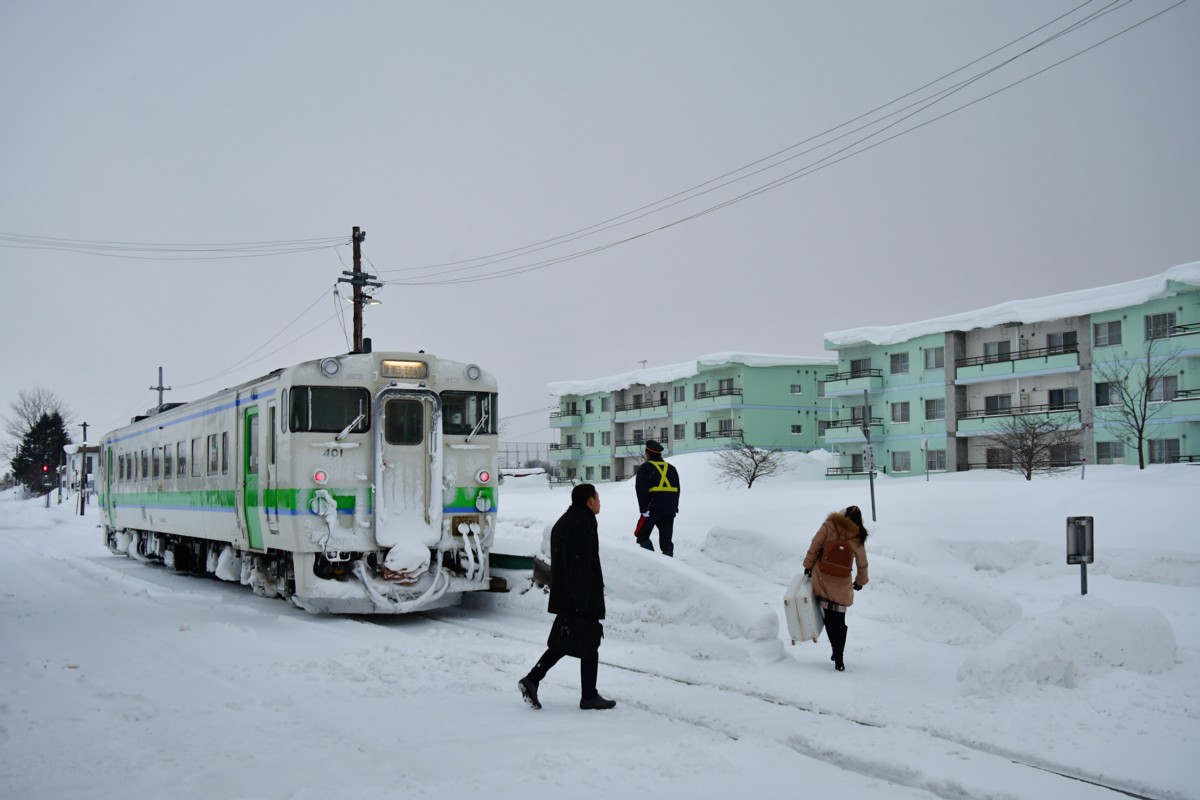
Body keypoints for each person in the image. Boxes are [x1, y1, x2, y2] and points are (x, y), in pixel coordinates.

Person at [518, 483, 616, 710]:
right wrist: (582, 601)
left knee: (566, 643)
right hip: (580, 597)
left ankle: (534, 679)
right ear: (589, 500)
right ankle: (587, 695)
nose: (600, 501)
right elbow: (580, 564)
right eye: (597, 497)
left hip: (566, 594)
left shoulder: (565, 521)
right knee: (587, 641)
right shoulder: (583, 523)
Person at [802, 505, 869, 672]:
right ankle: (839, 655)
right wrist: (860, 581)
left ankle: (835, 652)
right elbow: (862, 561)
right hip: (842, 582)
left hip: (823, 577)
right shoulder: (857, 535)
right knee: (839, 620)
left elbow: (815, 545)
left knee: (829, 619)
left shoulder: (829, 525)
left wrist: (808, 566)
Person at [633, 439, 680, 556]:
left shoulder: (645, 468)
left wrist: (644, 510)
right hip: (669, 509)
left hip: (652, 509)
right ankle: (669, 565)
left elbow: (641, 491)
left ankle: (653, 561)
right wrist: (674, 507)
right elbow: (677, 490)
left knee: (642, 536)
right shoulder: (672, 469)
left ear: (647, 453)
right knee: (666, 543)